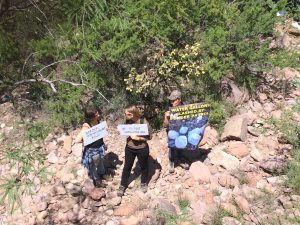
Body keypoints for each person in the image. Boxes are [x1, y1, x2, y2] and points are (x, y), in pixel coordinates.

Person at [117, 105, 152, 197]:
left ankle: (143, 183)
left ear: (133, 114)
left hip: (142, 148)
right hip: (129, 148)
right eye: (125, 114)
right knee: (127, 167)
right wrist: (122, 131)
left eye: (128, 114)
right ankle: (122, 185)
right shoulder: (128, 121)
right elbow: (125, 132)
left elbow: (149, 137)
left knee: (144, 166)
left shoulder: (143, 122)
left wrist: (138, 138)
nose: (125, 116)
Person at [75, 104, 107, 187]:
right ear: (91, 116)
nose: (98, 114)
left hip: (99, 147)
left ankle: (102, 173)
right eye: (96, 114)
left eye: (98, 112)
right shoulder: (86, 126)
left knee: (100, 161)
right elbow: (77, 140)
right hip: (91, 149)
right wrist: (86, 138)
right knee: (92, 166)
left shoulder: (97, 121)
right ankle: (96, 180)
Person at [163, 90, 189, 173]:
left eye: (174, 100)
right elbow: (165, 125)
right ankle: (172, 161)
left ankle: (180, 159)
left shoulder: (186, 107)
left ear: (179, 99)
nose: (172, 102)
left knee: (181, 144)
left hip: (182, 130)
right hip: (171, 130)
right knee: (172, 146)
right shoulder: (168, 108)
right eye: (171, 100)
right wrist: (166, 118)